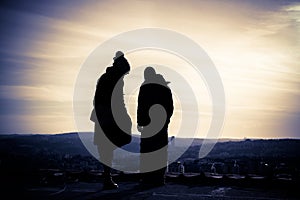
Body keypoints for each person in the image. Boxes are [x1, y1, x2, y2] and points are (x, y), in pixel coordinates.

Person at [90, 51, 132, 190]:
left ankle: (107, 177)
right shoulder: (115, 79)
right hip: (108, 117)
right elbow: (118, 101)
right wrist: (125, 117)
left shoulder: (106, 77)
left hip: (103, 116)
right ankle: (107, 178)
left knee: (106, 147)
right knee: (114, 143)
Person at [137, 67, 174, 186]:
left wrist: (140, 122)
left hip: (148, 125)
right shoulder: (164, 87)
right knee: (160, 151)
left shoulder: (145, 87)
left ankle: (147, 178)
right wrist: (166, 120)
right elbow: (170, 107)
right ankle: (159, 178)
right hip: (161, 125)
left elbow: (141, 106)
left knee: (147, 151)